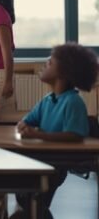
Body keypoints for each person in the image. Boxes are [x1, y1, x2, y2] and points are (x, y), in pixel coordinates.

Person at [10, 43, 97, 219]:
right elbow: (26, 121)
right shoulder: (47, 100)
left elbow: (75, 135)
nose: (45, 64)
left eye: (50, 63)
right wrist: (23, 126)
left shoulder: (73, 102)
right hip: (39, 159)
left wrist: (38, 135)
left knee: (36, 204)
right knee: (27, 202)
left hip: (55, 165)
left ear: (64, 73)